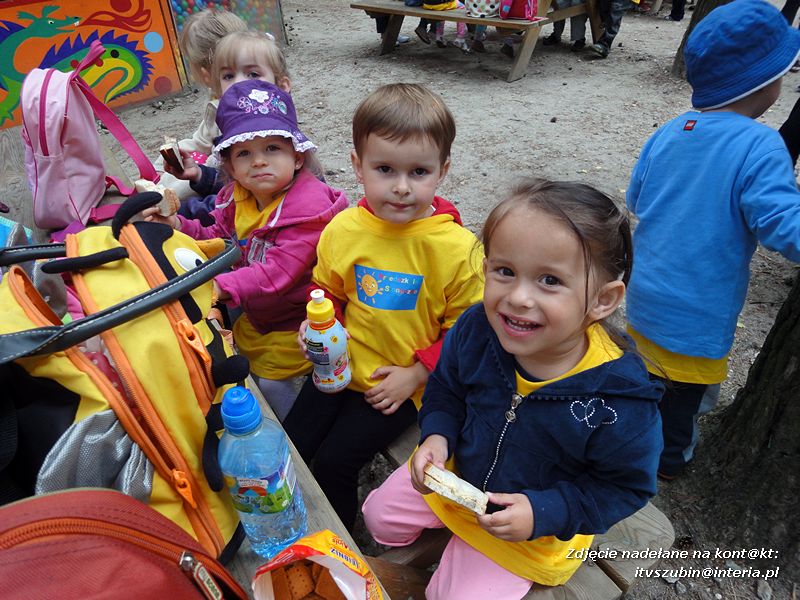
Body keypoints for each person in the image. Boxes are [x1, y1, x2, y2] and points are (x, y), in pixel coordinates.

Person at [363, 178, 663, 599]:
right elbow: (447, 387)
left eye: (550, 281)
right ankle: (445, 547)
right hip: (458, 475)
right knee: (378, 519)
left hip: (528, 530)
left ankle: (464, 562)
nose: (518, 297)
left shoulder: (619, 403)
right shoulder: (477, 329)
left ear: (602, 300)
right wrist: (437, 435)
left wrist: (545, 512)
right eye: (505, 271)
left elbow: (624, 487)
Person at [282, 83, 484, 531]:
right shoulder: (344, 230)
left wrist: (418, 373)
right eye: (385, 169)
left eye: (419, 172)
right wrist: (315, 326)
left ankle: (337, 538)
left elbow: (468, 331)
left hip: (403, 387)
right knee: (292, 445)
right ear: (358, 166)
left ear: (443, 170)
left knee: (335, 462)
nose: (400, 187)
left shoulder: (456, 249)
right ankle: (289, 522)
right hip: (339, 367)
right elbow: (327, 291)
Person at [625, 0, 800, 480]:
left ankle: (631, 441)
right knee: (683, 401)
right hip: (699, 311)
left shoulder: (668, 132)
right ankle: (669, 464)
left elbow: (636, 198)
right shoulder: (762, 145)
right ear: (769, 81)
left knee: (646, 382)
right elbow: (782, 223)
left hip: (645, 295)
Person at [145, 80, 348, 421]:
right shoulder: (239, 198)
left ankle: (296, 435)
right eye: (244, 153)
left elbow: (277, 273)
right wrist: (181, 229)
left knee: (268, 383)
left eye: (272, 148)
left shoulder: (309, 210)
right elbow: (219, 237)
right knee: (245, 365)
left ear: (297, 158)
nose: (258, 162)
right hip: (263, 314)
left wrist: (218, 286)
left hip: (300, 320)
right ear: (229, 165)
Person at [162, 30, 297, 224]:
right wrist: (199, 175)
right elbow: (234, 182)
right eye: (228, 76)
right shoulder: (231, 126)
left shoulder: (281, 130)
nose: (238, 83)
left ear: (282, 86)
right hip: (241, 208)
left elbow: (311, 182)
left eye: (253, 74)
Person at [155, 9, 247, 202]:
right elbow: (202, 140)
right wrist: (172, 154)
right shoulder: (217, 96)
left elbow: (218, 168)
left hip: (234, 187)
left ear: (204, 73)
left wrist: (165, 188)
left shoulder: (239, 110)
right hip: (218, 174)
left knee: (185, 201)